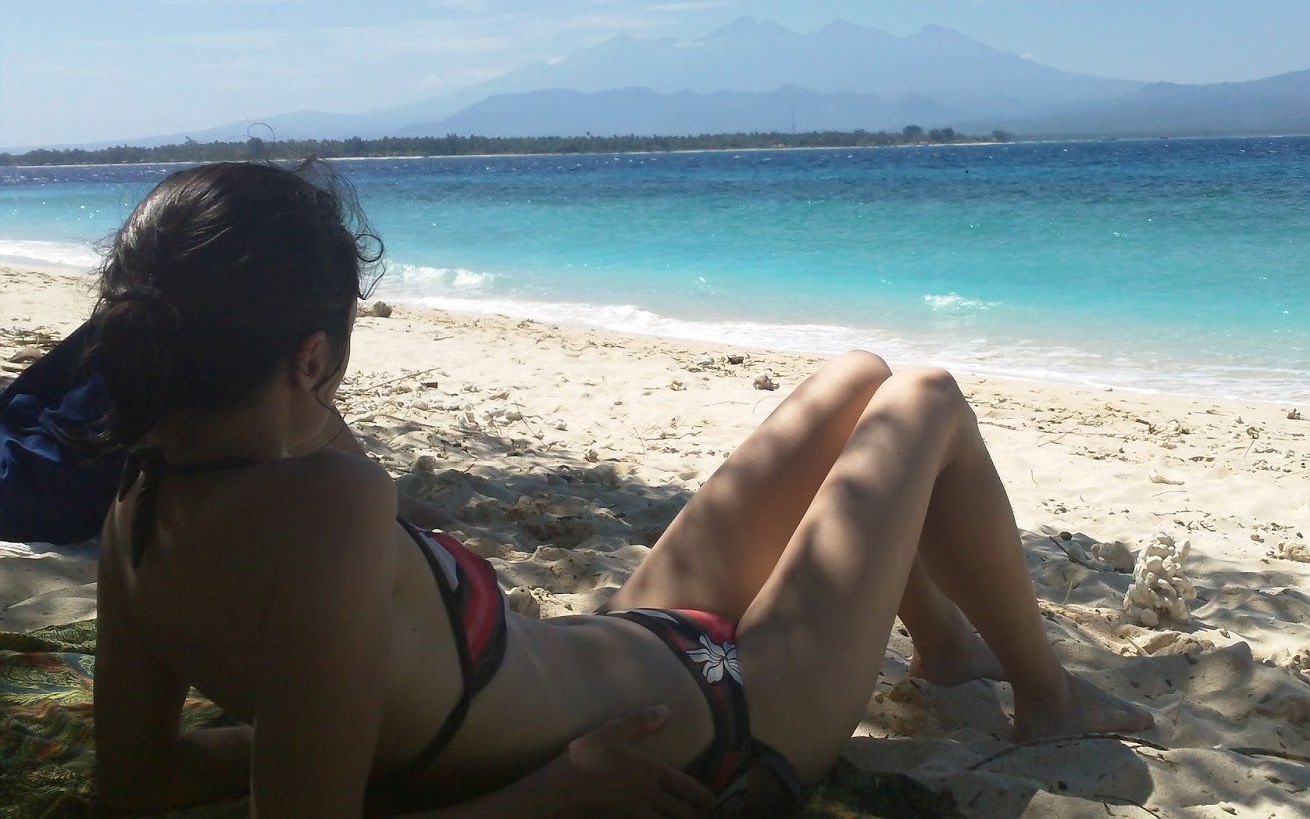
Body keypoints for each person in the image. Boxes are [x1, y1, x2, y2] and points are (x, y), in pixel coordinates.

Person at [91, 161, 1152, 818]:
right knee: (925, 396)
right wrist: (549, 795)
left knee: (855, 381)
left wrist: (320, 741)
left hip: (636, 642)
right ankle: (1047, 698)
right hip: (737, 717)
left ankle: (949, 645)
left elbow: (140, 782)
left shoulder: (139, 516)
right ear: (313, 359)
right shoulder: (330, 503)